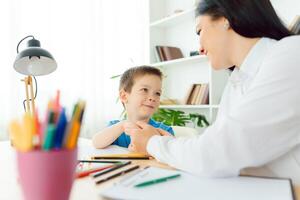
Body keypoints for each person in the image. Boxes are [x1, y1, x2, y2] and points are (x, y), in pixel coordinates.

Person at [125, 0, 300, 185]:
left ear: (226, 18)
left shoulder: (291, 53)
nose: (199, 48)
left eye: (199, 31)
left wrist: (152, 143)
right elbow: (217, 144)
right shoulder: (237, 80)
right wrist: (175, 146)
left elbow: (217, 153)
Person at [92, 66, 174, 149]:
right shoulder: (116, 127)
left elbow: (172, 154)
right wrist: (122, 125)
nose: (152, 97)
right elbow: (96, 143)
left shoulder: (164, 130)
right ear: (124, 96)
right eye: (144, 90)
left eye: (157, 93)